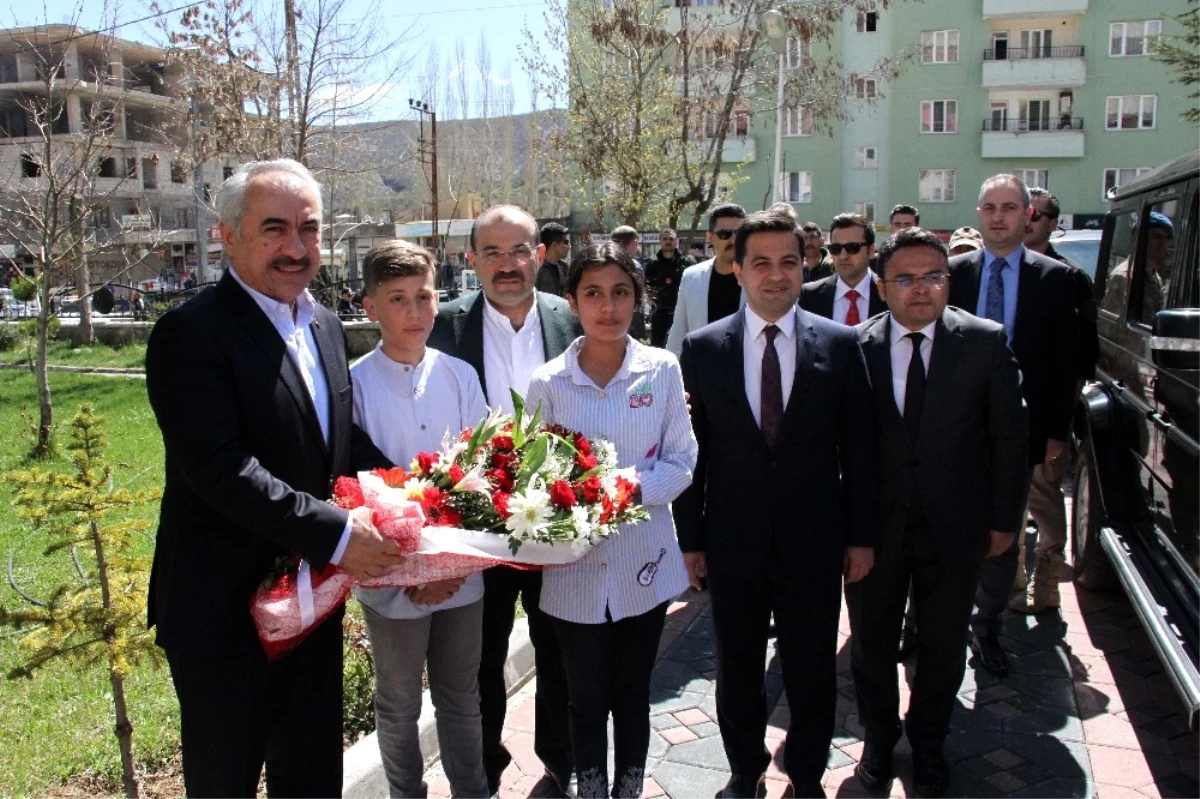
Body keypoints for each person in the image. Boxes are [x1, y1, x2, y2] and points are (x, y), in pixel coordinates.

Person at [144, 158, 403, 798]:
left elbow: (335, 446)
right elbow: (220, 468)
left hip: (310, 599)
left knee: (312, 773)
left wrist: (419, 498)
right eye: (274, 229)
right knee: (226, 777)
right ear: (227, 235)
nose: (296, 248)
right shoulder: (190, 333)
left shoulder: (322, 322)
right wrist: (341, 535)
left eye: (309, 229)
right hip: (222, 612)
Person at [674, 210, 876, 799]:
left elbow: (859, 450)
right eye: (760, 262)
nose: (776, 275)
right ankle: (744, 769)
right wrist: (690, 540)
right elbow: (691, 456)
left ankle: (807, 772)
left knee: (811, 666)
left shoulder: (840, 346)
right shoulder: (703, 348)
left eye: (789, 261)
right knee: (736, 666)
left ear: (805, 264)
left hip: (814, 539)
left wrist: (860, 537)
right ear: (737, 269)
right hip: (732, 539)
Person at [850, 228, 1028, 798]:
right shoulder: (853, 347)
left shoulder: (984, 341)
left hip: (957, 528)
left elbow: (1010, 440)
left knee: (944, 646)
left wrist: (1004, 522)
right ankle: (879, 740)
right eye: (905, 278)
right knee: (873, 644)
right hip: (874, 533)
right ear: (881, 287)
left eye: (933, 275)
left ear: (948, 282)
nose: (921, 289)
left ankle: (929, 742)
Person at [525, 242, 698, 799]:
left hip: (644, 561)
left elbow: (682, 461)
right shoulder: (549, 383)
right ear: (572, 301)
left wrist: (619, 491)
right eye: (593, 293)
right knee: (584, 695)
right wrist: (572, 507)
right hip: (572, 569)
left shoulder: (661, 370)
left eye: (620, 292)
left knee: (631, 691)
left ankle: (629, 786)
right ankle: (590, 786)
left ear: (637, 299)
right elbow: (531, 476)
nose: (608, 307)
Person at [429, 204, 581, 797]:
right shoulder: (443, 326)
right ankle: (486, 769)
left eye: (518, 250)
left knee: (560, 651)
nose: (507, 265)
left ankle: (561, 761)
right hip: (475, 528)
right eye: (490, 253)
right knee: (480, 659)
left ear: (539, 254)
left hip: (558, 518)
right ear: (471, 261)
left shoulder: (571, 320)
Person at [351, 239, 490, 799]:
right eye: (397, 299)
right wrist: (414, 569)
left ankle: (472, 790)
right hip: (390, 577)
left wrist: (449, 567)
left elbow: (483, 475)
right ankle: (406, 792)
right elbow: (355, 488)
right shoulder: (354, 386)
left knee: (462, 694)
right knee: (399, 701)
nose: (414, 313)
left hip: (460, 574)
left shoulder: (459, 376)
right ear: (370, 308)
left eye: (424, 297)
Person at [948, 174, 1080, 678]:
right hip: (952, 430)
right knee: (935, 529)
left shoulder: (1055, 278)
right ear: (979, 213)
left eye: (1009, 207)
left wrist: (1054, 433)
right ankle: (923, 625)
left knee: (1004, 536)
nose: (998, 216)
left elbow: (1062, 364)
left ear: (1027, 215)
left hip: (1017, 434)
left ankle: (987, 631)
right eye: (989, 207)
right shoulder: (951, 273)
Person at [1009, 187, 1100, 615]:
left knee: (1043, 494)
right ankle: (1013, 577)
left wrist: (1058, 427)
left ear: (1051, 223)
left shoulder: (1067, 279)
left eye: (1037, 215)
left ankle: (1047, 576)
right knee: (1008, 502)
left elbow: (1079, 357)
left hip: (1045, 414)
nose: (1029, 222)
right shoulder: (999, 273)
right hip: (1002, 415)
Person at [665, 203, 747, 356]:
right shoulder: (691, 277)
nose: (733, 240)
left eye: (739, 233)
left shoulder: (758, 277)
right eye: (725, 234)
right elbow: (678, 332)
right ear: (710, 237)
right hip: (702, 371)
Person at [800, 213, 887, 325]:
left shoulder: (889, 294)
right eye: (836, 248)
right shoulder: (810, 295)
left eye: (852, 248)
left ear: (871, 250)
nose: (843, 256)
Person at [644, 228, 695, 348]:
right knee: (657, 346)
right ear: (660, 241)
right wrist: (651, 300)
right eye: (665, 239)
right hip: (659, 312)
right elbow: (646, 286)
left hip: (680, 311)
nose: (668, 241)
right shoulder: (652, 264)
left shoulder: (686, 262)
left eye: (671, 239)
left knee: (680, 345)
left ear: (676, 241)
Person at [536, 222, 572, 297]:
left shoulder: (565, 267)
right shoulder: (536, 269)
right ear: (554, 245)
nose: (569, 246)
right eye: (565, 242)